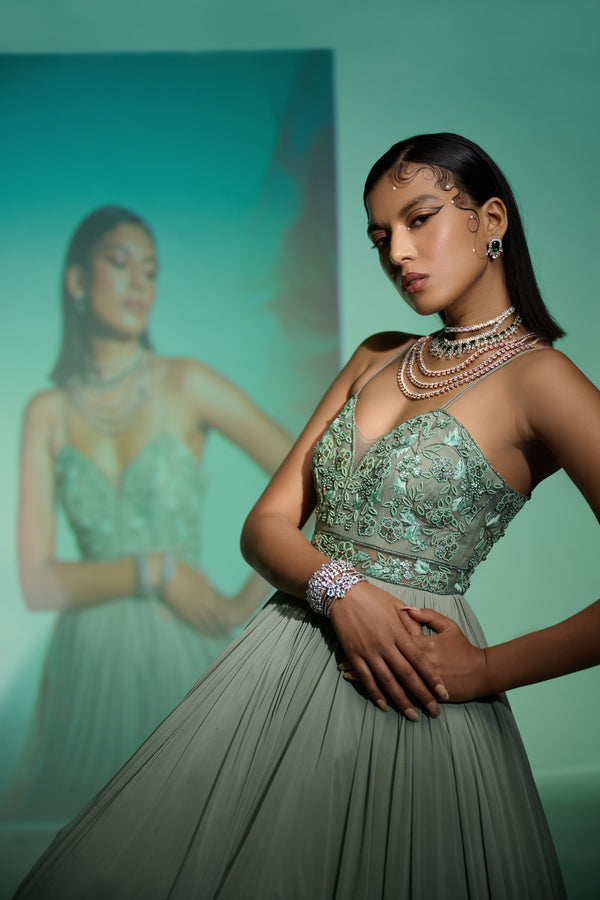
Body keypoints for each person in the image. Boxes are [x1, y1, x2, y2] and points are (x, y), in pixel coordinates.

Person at [14, 134, 600, 899]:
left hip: (414, 687)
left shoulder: (543, 380)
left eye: (420, 219)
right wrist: (341, 590)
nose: (398, 252)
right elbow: (264, 527)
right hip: (281, 654)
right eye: (381, 236)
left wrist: (487, 669)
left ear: (493, 220)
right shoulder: (375, 356)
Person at [1, 206, 292, 825]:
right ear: (77, 282)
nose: (139, 283)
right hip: (84, 664)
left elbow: (321, 477)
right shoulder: (46, 412)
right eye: (120, 262)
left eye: (152, 271)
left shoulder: (186, 383)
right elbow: (38, 582)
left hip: (184, 644)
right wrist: (156, 570)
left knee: (195, 834)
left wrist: (247, 600)